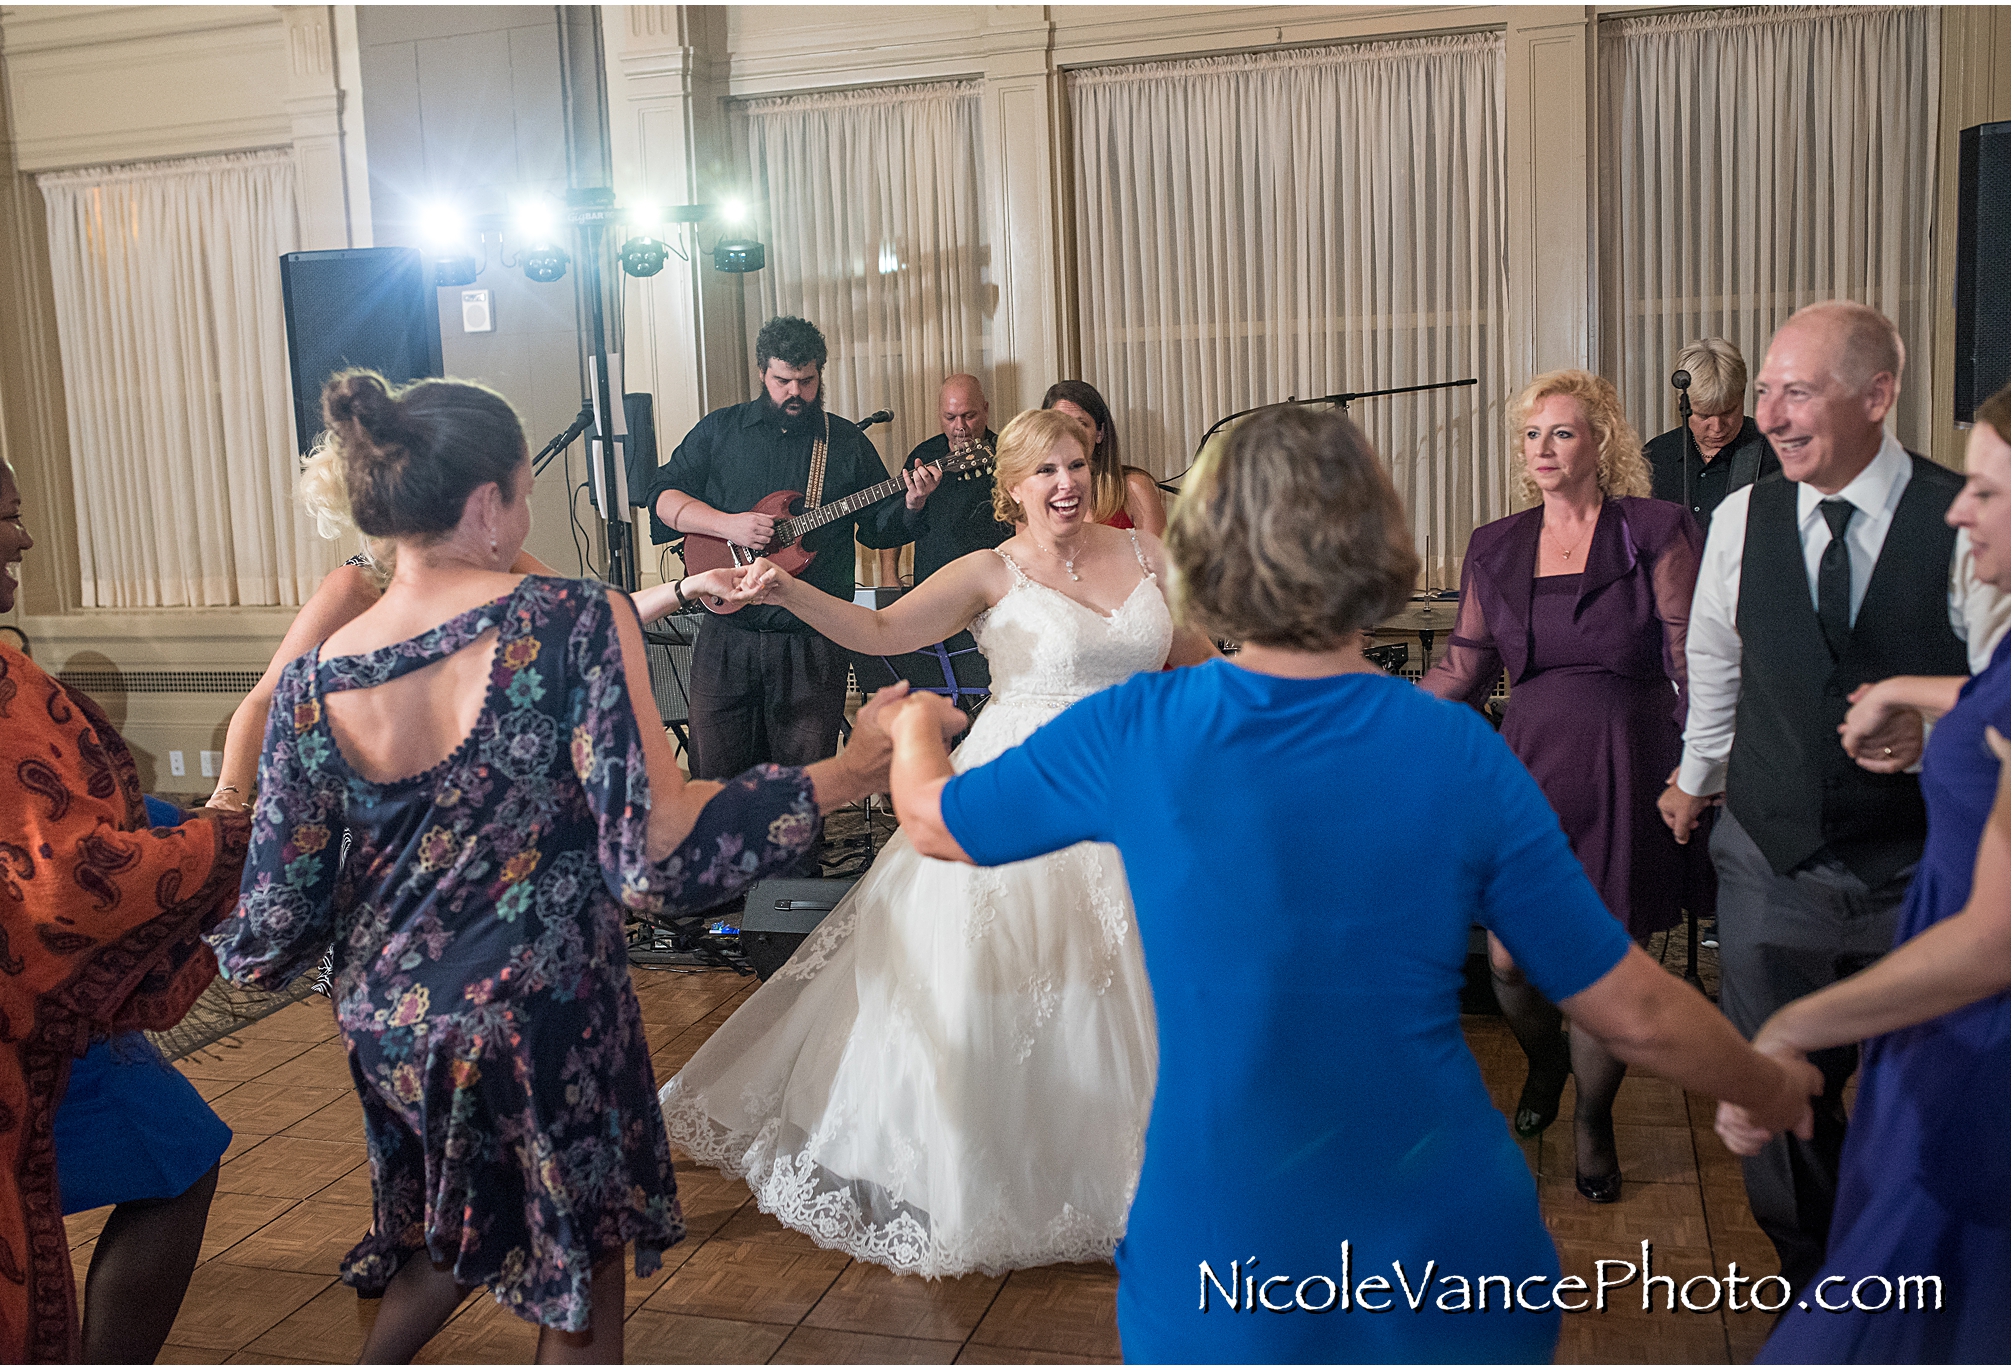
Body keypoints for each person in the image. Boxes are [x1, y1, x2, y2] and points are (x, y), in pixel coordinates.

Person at [878, 404, 1820, 1363]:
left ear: (1204, 554)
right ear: (1379, 543)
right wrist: (1771, 1084)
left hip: (1223, 1253)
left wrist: (913, 728)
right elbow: (1630, 1005)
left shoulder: (1144, 731)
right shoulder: (1454, 750)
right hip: (1448, 1248)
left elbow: (933, 822)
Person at [204, 372, 906, 1362]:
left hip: (389, 1026)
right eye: (526, 492)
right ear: (489, 502)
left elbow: (271, 922)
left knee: (456, 1234)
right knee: (574, 1271)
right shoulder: (567, 619)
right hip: (538, 1007)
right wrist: (846, 771)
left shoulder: (322, 676)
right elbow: (652, 858)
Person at [658, 408, 1213, 1278]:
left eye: (1075, 466)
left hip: (1139, 790)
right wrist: (786, 589)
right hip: (1017, 791)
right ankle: (985, 1171)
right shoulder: (990, 570)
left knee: (1138, 982)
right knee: (997, 981)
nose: (1065, 484)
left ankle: (1148, 1172)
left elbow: (1199, 660)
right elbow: (882, 634)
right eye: (1044, 473)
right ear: (1014, 488)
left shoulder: (1149, 556)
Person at [1657, 300, 1993, 1298]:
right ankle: (1812, 1291)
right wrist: (1696, 775)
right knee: (1779, 1116)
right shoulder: (1737, 518)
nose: (1767, 413)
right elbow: (1712, 659)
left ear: (1876, 395)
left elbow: (1999, 686)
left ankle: (1898, 1296)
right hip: (1768, 861)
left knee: (1912, 1115)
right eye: (1763, 390)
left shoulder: (1962, 513)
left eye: (1793, 391)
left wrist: (1930, 731)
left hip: (1919, 877)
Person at [1720, 383, 2011, 1364]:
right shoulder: (1743, 518)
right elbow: (1991, 701)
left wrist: (1788, 1028)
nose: (1960, 508)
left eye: (1985, 488)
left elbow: (1994, 938)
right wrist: (1911, 695)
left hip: (1976, 1022)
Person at [0, 427, 250, 1363]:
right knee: (175, 1159)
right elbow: (77, 883)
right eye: (7, 515)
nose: (23, 540)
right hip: (11, 1013)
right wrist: (232, 828)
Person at [1421, 370, 1703, 1205]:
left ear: (1602, 443)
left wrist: (1699, 768)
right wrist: (1374, 712)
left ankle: (1593, 1120)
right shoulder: (1497, 544)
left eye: (1564, 433)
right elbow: (1465, 666)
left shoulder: (1655, 529)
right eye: (1533, 435)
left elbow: (1690, 659)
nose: (1543, 449)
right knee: (1508, 962)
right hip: (1532, 769)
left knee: (1597, 964)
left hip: (1628, 763)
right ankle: (1546, 1063)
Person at [212, 441, 728, 817]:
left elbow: (599, 613)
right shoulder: (354, 586)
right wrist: (230, 797)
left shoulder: (493, 564)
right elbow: (264, 701)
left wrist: (690, 586)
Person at [647, 316, 914, 780]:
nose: (795, 392)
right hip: (727, 637)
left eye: (807, 381)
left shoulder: (844, 441)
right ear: (761, 373)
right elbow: (662, 500)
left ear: (820, 375)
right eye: (782, 380)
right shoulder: (721, 430)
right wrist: (728, 525)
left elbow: (877, 530)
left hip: (811, 640)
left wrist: (912, 501)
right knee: (715, 782)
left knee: (802, 791)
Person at [876, 373, 1008, 588]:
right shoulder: (923, 455)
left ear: (985, 410)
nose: (960, 426)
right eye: (950, 417)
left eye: (969, 415)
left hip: (993, 585)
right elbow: (893, 518)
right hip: (933, 586)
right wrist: (889, 574)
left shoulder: (1008, 455)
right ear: (939, 415)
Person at [1642, 337, 1781, 525]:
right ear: (1681, 404)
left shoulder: (1775, 453)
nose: (1717, 427)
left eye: (1728, 411)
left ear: (1743, 395)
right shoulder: (1656, 456)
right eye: (1704, 416)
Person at [1041, 379, 1166, 535]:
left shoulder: (1134, 487)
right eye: (1059, 423)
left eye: (1080, 424)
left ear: (1100, 433)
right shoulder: (1032, 490)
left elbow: (1160, 558)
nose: (1070, 434)